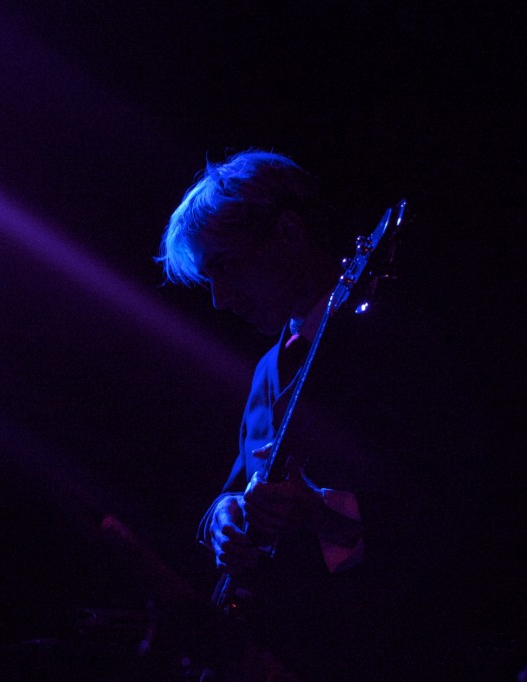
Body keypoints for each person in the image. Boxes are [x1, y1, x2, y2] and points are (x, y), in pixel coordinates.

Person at [157, 150, 469, 680]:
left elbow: (446, 505)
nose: (218, 300)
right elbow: (237, 489)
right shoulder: (267, 367)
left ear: (287, 233)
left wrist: (321, 513)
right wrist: (224, 518)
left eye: (225, 266)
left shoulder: (396, 343)